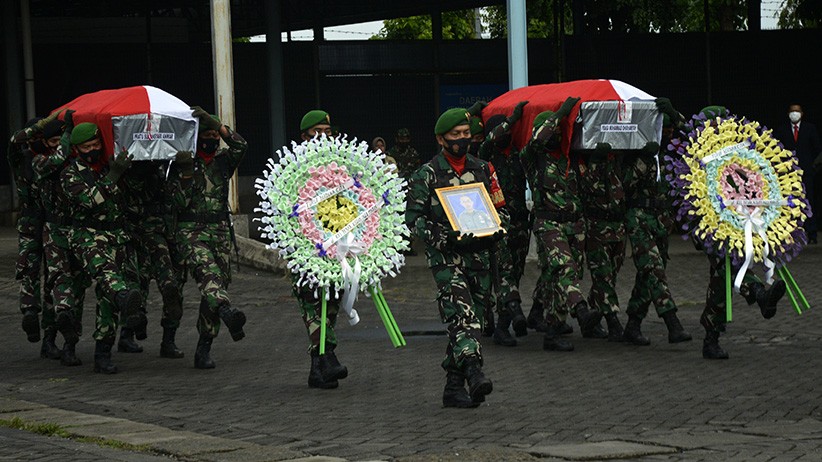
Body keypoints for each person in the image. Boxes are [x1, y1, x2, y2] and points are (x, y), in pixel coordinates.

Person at [406, 103, 502, 408]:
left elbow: (500, 208)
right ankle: (474, 371)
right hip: (447, 259)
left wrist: (500, 227)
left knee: (473, 320)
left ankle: (453, 386)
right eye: (456, 134)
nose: (463, 139)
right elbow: (413, 220)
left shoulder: (484, 169)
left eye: (466, 133)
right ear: (441, 139)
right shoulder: (427, 175)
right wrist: (442, 236)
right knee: (462, 315)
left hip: (481, 257)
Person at [681, 106, 787, 359]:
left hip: (738, 222)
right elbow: (691, 193)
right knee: (724, 268)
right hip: (710, 225)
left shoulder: (732, 154)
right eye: (714, 125)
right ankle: (758, 296)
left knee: (728, 270)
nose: (719, 129)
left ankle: (717, 332)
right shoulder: (697, 156)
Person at [61, 121, 145, 373]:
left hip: (115, 237)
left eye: (96, 144)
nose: (93, 150)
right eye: (87, 146)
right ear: (76, 149)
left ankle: (103, 351)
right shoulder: (70, 173)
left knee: (108, 297)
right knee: (88, 287)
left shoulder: (110, 165)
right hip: (86, 236)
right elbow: (90, 201)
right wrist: (114, 175)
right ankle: (68, 344)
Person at [520, 98, 602, 352]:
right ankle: (581, 309)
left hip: (574, 226)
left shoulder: (571, 159)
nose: (555, 134)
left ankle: (553, 330)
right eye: (551, 130)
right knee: (564, 269)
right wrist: (559, 114)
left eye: (559, 130)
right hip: (548, 224)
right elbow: (536, 141)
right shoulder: (533, 158)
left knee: (563, 279)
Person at [169, 107, 247, 369]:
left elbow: (240, 145)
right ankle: (226, 312)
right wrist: (187, 172)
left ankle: (205, 345)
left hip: (219, 232)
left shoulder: (223, 162)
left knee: (214, 288)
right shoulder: (181, 163)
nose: (213, 138)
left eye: (215, 134)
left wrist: (217, 123)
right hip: (190, 232)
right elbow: (178, 203)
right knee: (210, 276)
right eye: (208, 134)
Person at [621, 102, 692, 345]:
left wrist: (673, 112)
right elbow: (624, 184)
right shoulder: (636, 151)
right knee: (653, 269)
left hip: (661, 220)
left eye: (671, 129)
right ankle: (672, 322)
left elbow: (692, 132)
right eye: (665, 129)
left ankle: (633, 324)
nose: (670, 133)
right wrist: (643, 158)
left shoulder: (670, 154)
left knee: (647, 275)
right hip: (638, 217)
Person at [292, 109, 350, 389]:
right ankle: (329, 355)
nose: (324, 137)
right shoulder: (294, 167)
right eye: (318, 131)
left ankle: (318, 368)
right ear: (304, 136)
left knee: (332, 303)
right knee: (311, 303)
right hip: (305, 248)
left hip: (336, 245)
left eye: (328, 131)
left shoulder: (339, 164)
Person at [477, 101, 530, 346]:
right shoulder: (487, 156)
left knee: (514, 273)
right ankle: (501, 325)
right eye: (502, 131)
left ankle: (501, 322)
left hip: (520, 223)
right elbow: (488, 141)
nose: (506, 134)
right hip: (497, 224)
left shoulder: (520, 156)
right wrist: (510, 119)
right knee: (503, 273)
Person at [121, 160, 184, 357]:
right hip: (142, 233)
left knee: (173, 287)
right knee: (138, 284)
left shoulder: (174, 167)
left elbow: (179, 200)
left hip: (171, 233)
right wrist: (146, 166)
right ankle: (129, 331)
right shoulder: (136, 169)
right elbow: (133, 189)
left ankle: (168, 340)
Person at [8, 116, 51, 345]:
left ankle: (50, 337)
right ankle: (30, 312)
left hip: (52, 222)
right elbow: (14, 141)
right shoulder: (21, 158)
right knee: (29, 269)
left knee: (54, 275)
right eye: (34, 137)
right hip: (30, 221)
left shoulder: (53, 158)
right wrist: (37, 128)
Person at [579, 140, 627, 341]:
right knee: (603, 276)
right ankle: (612, 321)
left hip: (618, 226)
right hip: (597, 227)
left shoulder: (621, 158)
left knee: (610, 276)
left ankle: (594, 316)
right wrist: (596, 160)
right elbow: (587, 186)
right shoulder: (585, 160)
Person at [773, 104, 822, 244]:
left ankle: (812, 233)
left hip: (806, 172)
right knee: (788, 203)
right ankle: (789, 235)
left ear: (802, 113)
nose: (795, 113)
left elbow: (817, 149)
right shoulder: (782, 129)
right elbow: (777, 149)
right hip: (788, 174)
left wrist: (813, 167)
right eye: (792, 111)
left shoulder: (810, 128)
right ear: (788, 113)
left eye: (797, 111)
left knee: (809, 201)